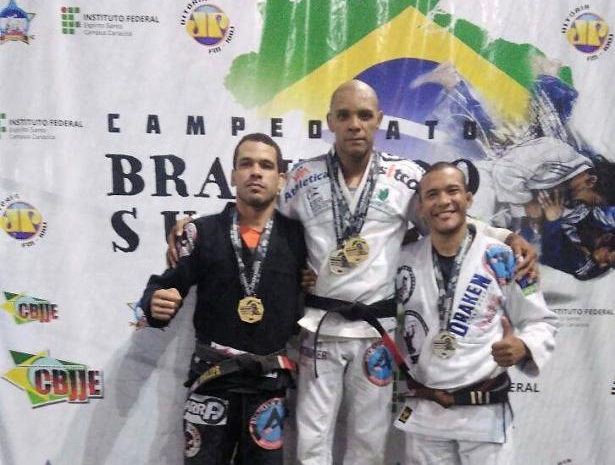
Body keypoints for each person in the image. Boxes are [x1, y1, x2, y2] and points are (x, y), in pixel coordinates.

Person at [167, 80, 537, 464]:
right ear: (330, 121)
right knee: (311, 440)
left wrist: (504, 235)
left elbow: (446, 220)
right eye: (344, 116)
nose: (354, 125)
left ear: (379, 119)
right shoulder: (302, 178)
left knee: (369, 441)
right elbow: (258, 219)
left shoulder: (404, 177)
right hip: (319, 327)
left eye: (364, 115)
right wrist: (190, 228)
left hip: (377, 331)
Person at [139, 133, 307, 464]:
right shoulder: (201, 233)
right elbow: (166, 286)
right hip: (212, 381)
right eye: (246, 164)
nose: (255, 172)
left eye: (266, 165)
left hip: (267, 387)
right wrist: (155, 302)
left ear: (280, 179)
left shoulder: (301, 238)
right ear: (232, 175)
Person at [394, 162, 558, 465]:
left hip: (484, 412)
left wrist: (523, 346)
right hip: (425, 412)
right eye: (432, 194)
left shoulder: (505, 257)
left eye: (452, 191)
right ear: (421, 207)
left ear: (468, 199)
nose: (443, 201)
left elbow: (540, 320)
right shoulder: (402, 260)